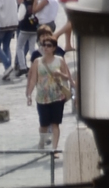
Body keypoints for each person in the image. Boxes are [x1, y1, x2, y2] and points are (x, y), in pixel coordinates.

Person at [25, 29, 73, 158]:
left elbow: (67, 78)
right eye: (43, 45)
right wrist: (29, 94)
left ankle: (54, 149)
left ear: (54, 48)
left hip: (57, 96)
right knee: (44, 125)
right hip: (42, 97)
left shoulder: (60, 60)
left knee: (55, 123)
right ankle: (42, 140)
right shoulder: (37, 62)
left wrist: (60, 74)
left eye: (48, 45)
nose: (45, 48)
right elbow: (33, 79)